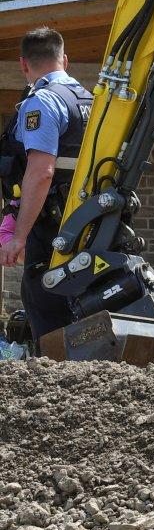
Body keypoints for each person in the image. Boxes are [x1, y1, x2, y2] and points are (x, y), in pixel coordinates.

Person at [0, 28, 93, 341]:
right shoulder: (91, 100)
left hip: (51, 228)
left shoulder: (42, 102)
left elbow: (41, 172)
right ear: (65, 60)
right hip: (86, 220)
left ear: (24, 65)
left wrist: (19, 236)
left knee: (46, 313)